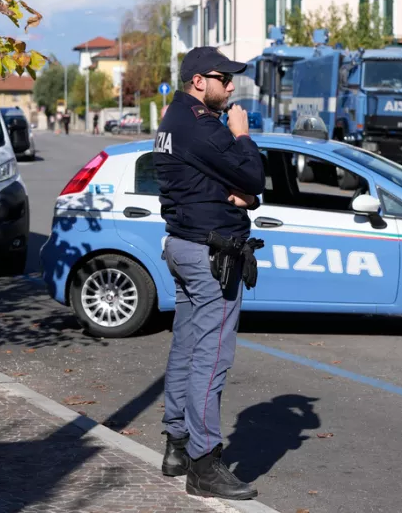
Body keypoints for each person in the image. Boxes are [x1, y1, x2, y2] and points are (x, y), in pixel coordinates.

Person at [153, 46, 266, 500]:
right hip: (209, 255)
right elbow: (252, 177)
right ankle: (204, 464)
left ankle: (176, 444)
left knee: (186, 347)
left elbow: (232, 186)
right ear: (200, 81)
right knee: (211, 357)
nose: (232, 86)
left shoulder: (174, 120)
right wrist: (242, 135)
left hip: (184, 246)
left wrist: (245, 195)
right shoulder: (203, 127)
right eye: (225, 78)